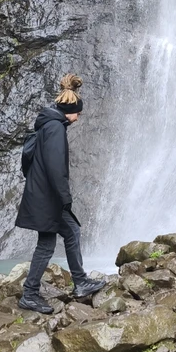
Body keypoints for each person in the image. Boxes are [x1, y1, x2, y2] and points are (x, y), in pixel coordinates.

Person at [15, 73, 105, 313]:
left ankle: (77, 282)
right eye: (78, 113)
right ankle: (35, 293)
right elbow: (56, 167)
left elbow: (29, 162)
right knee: (62, 237)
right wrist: (65, 198)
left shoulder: (47, 124)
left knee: (57, 238)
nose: (78, 118)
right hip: (48, 197)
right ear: (71, 110)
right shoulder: (55, 128)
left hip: (41, 194)